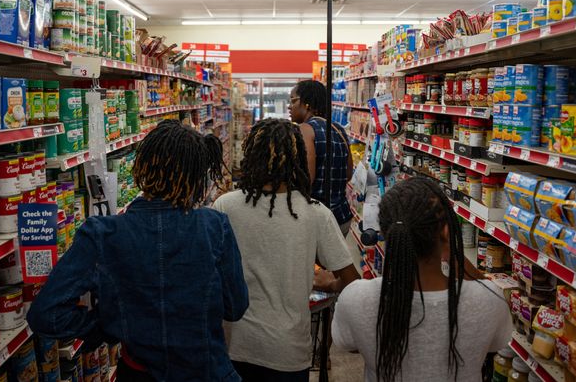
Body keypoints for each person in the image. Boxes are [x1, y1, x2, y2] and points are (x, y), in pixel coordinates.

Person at [27, 120, 249, 382]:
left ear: (142, 167)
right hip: (208, 372)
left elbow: (45, 314)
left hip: (138, 374)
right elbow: (235, 307)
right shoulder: (215, 226)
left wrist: (106, 324)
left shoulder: (101, 233)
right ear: (195, 177)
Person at [214, 118, 359, 382]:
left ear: (250, 156)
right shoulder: (315, 212)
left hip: (235, 345)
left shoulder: (225, 206)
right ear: (299, 159)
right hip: (289, 351)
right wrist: (331, 283)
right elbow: (352, 282)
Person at [332, 177, 513, 382]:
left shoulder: (356, 299)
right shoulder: (489, 301)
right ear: (446, 233)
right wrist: (451, 254)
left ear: (385, 234)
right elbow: (497, 341)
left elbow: (349, 344)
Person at [288, 80, 354, 235]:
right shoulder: (338, 129)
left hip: (318, 220)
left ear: (307, 104)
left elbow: (306, 179)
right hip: (342, 216)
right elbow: (348, 174)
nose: (289, 106)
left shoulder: (305, 129)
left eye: (293, 101)